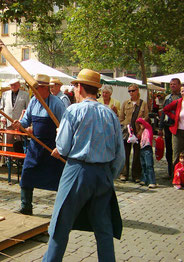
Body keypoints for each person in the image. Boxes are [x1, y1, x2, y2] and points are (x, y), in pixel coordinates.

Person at [42, 69, 125, 262]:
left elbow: (62, 147)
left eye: (75, 86)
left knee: (60, 225)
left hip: (77, 171)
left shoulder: (74, 110)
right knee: (104, 229)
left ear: (79, 87)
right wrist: (107, 175)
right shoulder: (110, 114)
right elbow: (120, 156)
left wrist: (58, 135)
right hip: (103, 174)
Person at [12, 74, 66, 215]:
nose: (33, 91)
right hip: (35, 146)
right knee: (27, 174)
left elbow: (65, 127)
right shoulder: (34, 102)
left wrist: (60, 147)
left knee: (58, 180)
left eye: (36, 88)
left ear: (45, 88)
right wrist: (19, 124)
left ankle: (62, 210)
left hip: (52, 148)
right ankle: (26, 207)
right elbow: (26, 121)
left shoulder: (57, 104)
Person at [119, 83, 148, 182]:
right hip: (127, 132)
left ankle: (136, 175)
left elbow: (146, 119)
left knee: (137, 155)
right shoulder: (125, 103)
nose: (131, 93)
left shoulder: (143, 104)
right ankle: (124, 173)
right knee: (125, 153)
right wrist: (125, 126)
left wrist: (140, 131)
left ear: (137, 91)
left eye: (133, 90)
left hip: (138, 131)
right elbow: (121, 117)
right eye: (129, 91)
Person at [158, 78, 182, 178]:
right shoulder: (168, 98)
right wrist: (160, 128)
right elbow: (164, 112)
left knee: (179, 150)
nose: (172, 86)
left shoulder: (182, 97)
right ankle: (170, 172)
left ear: (179, 85)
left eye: (174, 84)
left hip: (179, 127)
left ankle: (180, 172)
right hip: (168, 127)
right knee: (169, 150)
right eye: (171, 84)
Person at [163, 85, 184, 168]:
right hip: (178, 131)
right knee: (176, 154)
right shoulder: (178, 102)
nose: (183, 93)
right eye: (182, 91)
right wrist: (174, 117)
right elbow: (165, 109)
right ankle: (176, 177)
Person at [135, 117, 157, 188]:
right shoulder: (143, 130)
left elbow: (138, 120)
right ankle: (144, 179)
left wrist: (142, 119)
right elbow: (138, 137)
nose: (141, 125)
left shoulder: (149, 128)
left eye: (142, 124)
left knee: (149, 165)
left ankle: (152, 181)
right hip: (142, 149)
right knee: (143, 165)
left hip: (147, 148)